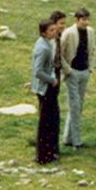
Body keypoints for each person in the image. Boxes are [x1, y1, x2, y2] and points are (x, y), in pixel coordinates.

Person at [59, 8, 96, 149]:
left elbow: (92, 50)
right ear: (77, 20)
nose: (86, 22)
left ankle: (67, 137)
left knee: (78, 106)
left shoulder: (91, 32)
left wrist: (90, 68)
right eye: (83, 20)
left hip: (84, 71)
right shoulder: (69, 33)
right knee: (74, 105)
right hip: (72, 72)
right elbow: (60, 52)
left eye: (87, 19)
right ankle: (77, 140)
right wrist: (68, 70)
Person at [31, 17, 61, 165]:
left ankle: (50, 151)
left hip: (49, 84)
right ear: (44, 33)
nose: (54, 32)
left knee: (51, 119)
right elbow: (38, 71)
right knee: (45, 122)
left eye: (55, 29)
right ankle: (42, 155)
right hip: (44, 88)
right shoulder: (43, 48)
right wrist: (52, 79)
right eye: (51, 30)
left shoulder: (49, 43)